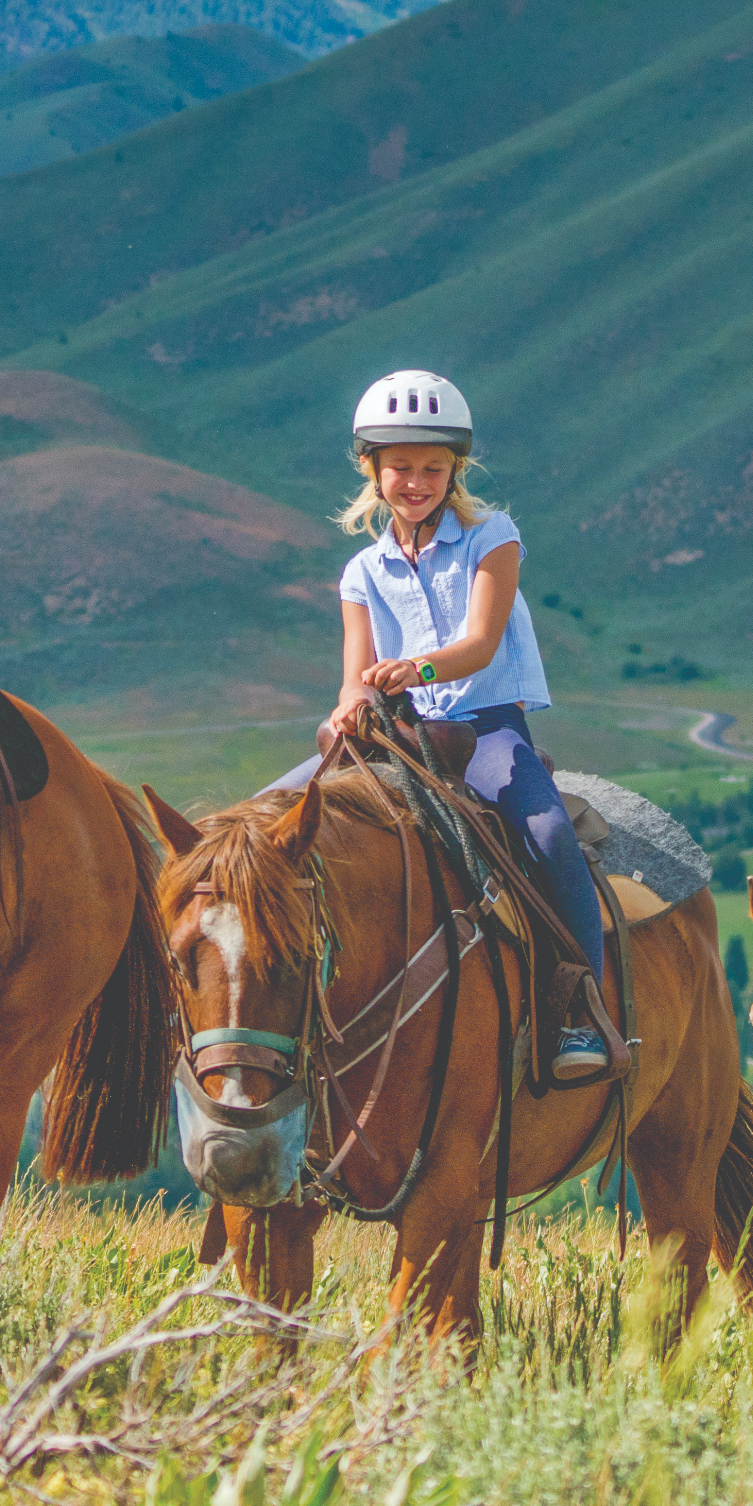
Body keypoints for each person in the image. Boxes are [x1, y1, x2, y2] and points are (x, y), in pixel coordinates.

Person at [276, 369, 623, 1085]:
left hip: (487, 727)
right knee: (265, 821)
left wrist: (416, 670)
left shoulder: (491, 536)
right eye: (401, 466)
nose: (416, 481)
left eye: (433, 468)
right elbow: (355, 669)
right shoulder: (361, 571)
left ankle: (581, 1012)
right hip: (401, 732)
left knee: (552, 835)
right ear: (371, 468)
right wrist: (349, 700)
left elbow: (481, 645)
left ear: (454, 470)